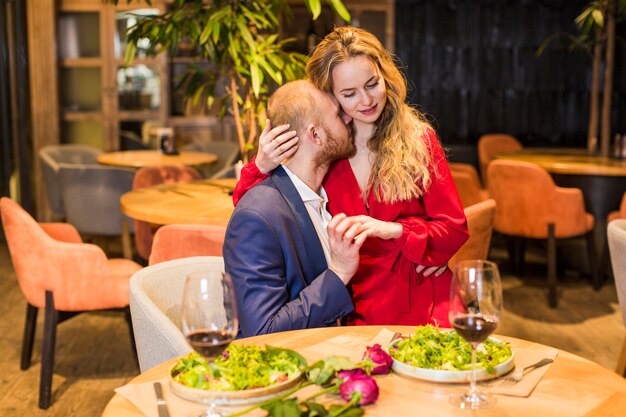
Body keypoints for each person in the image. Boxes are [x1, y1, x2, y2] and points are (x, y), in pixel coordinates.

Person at [233, 26, 469, 327]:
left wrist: (399, 232)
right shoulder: (325, 147)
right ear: (330, 95)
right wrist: (261, 164)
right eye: (349, 93)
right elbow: (255, 212)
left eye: (372, 84)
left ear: (386, 76)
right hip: (352, 303)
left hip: (422, 297)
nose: (366, 100)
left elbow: (454, 229)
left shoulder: (418, 139)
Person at [223, 79, 367, 337]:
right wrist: (339, 272)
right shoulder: (256, 218)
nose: (347, 118)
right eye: (337, 114)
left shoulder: (327, 196)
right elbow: (263, 333)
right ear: (315, 134)